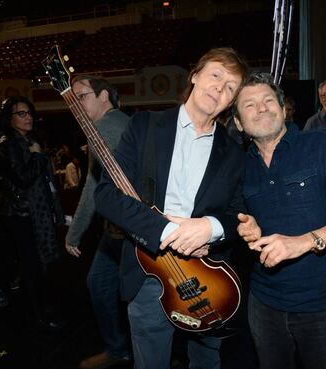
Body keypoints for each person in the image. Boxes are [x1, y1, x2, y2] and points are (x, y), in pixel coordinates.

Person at [94, 47, 248, 369]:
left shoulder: (235, 152)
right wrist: (168, 231)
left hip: (210, 279)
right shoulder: (144, 126)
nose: (220, 87)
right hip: (149, 269)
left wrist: (210, 228)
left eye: (231, 86)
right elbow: (107, 195)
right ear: (194, 75)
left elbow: (240, 214)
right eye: (216, 75)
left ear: (232, 101)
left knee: (208, 361)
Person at [232, 72, 326, 369]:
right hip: (263, 306)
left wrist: (306, 242)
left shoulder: (322, 146)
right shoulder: (241, 168)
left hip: (324, 306)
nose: (261, 108)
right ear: (238, 123)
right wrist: (246, 227)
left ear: (283, 109)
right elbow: (236, 218)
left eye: (268, 100)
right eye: (249, 105)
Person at [64, 75, 132, 369]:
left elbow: (93, 188)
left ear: (104, 95)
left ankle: (122, 350)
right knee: (104, 283)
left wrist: (73, 234)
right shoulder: (124, 122)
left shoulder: (104, 128)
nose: (76, 104)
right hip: (122, 229)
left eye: (82, 96)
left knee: (114, 287)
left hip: (127, 230)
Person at [0, 96, 65, 330]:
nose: (28, 118)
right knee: (31, 266)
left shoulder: (27, 140)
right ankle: (37, 315)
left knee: (38, 266)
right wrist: (37, 155)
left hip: (34, 213)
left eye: (29, 113)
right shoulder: (8, 144)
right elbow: (24, 178)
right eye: (21, 114)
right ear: (10, 118)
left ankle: (42, 309)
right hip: (22, 215)